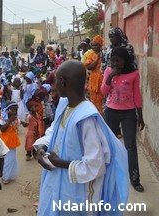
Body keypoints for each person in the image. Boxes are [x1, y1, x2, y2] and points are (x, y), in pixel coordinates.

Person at [33, 60, 129, 215]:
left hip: (75, 192)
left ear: (62, 81)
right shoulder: (65, 104)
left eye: (56, 80)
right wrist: (42, 146)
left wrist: (61, 163)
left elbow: (95, 165)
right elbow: (55, 132)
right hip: (56, 181)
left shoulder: (86, 119)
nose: (54, 84)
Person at [101, 47, 145, 192]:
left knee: (130, 146)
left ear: (125, 60)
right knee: (109, 145)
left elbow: (137, 95)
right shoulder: (108, 71)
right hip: (111, 112)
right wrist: (110, 76)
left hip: (128, 113)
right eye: (112, 60)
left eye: (118, 60)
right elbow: (103, 91)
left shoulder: (133, 73)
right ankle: (109, 175)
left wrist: (140, 115)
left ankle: (134, 178)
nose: (115, 63)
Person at [0, 102, 21, 184]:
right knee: (7, 160)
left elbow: (17, 126)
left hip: (12, 141)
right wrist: (9, 120)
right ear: (8, 110)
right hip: (5, 141)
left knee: (12, 159)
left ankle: (11, 175)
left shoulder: (16, 118)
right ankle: (5, 176)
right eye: (14, 110)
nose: (15, 112)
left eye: (16, 110)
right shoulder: (3, 118)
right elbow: (2, 129)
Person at [84, 35, 104, 115]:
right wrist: (96, 60)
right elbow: (89, 67)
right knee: (94, 101)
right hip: (93, 81)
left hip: (103, 80)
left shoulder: (104, 53)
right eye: (93, 45)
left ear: (100, 45)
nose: (94, 47)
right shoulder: (91, 55)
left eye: (96, 45)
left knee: (102, 102)